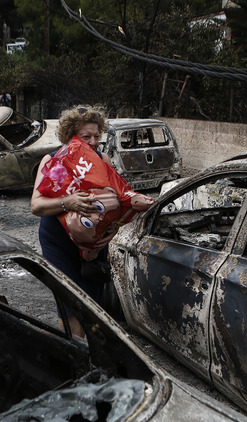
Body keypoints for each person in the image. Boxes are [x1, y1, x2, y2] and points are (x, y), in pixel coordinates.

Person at [30, 105, 155, 338]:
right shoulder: (56, 162)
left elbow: (116, 201)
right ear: (71, 137)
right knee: (69, 305)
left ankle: (91, 356)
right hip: (58, 241)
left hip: (94, 244)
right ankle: (73, 357)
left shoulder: (102, 159)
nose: (93, 141)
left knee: (92, 305)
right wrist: (68, 201)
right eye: (86, 136)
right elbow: (37, 206)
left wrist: (113, 231)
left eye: (97, 136)